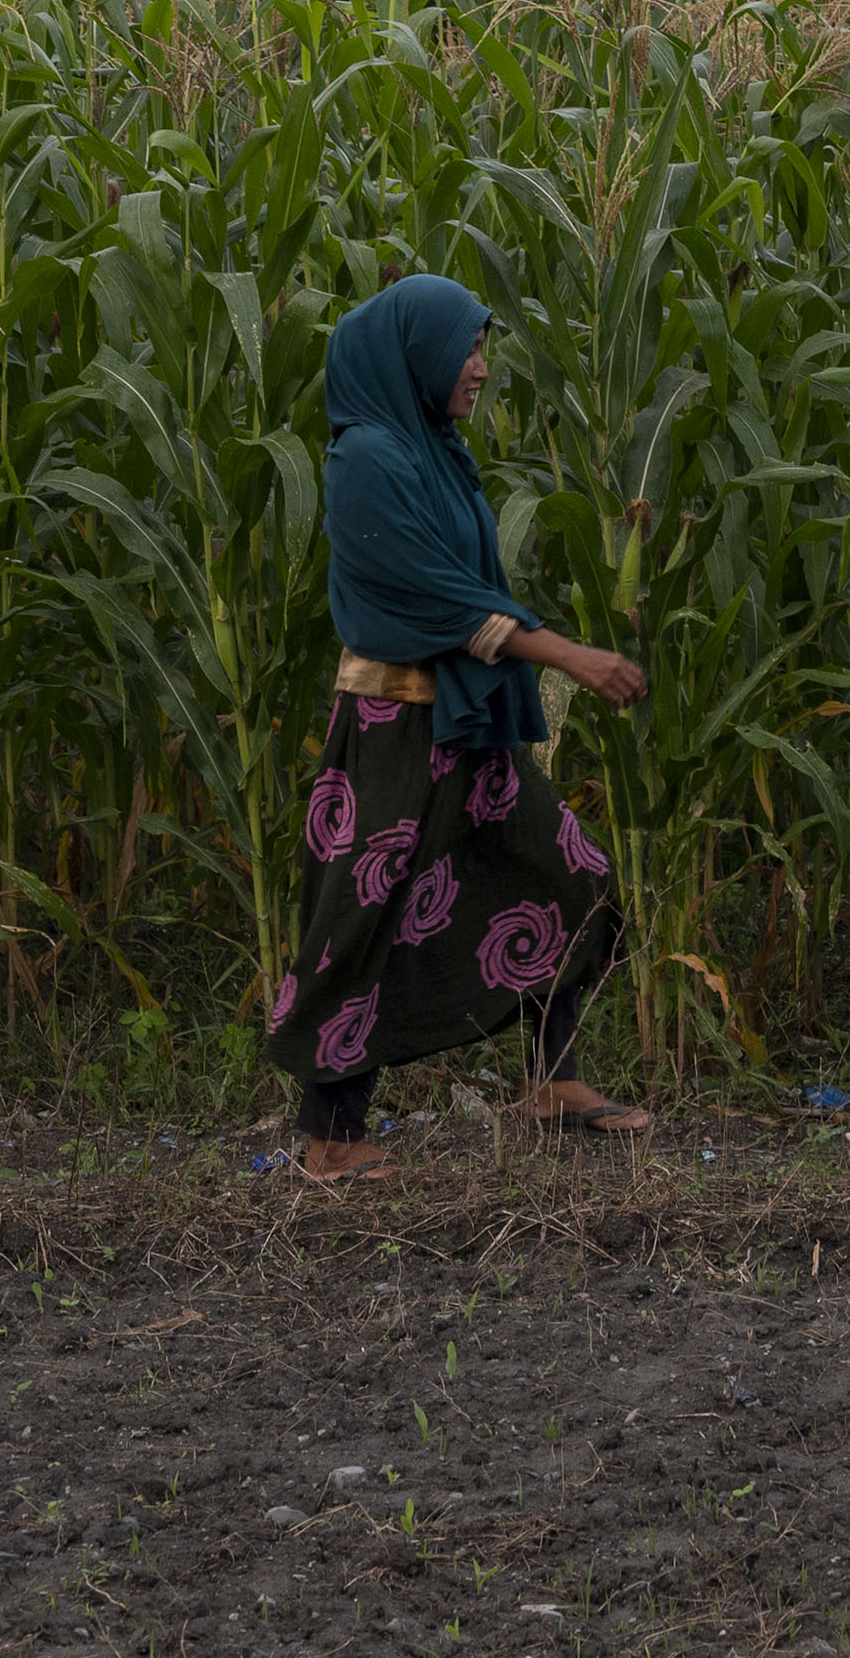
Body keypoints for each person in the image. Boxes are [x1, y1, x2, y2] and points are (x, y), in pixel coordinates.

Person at [260, 274, 654, 1181]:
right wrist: (569, 656)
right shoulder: (367, 457)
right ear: (415, 357)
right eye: (466, 350)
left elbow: (466, 586)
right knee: (361, 922)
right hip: (394, 729)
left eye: (482, 349)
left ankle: (553, 1080)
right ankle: (330, 1139)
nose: (478, 368)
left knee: (573, 876)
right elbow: (435, 595)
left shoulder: (431, 448)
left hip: (465, 726)